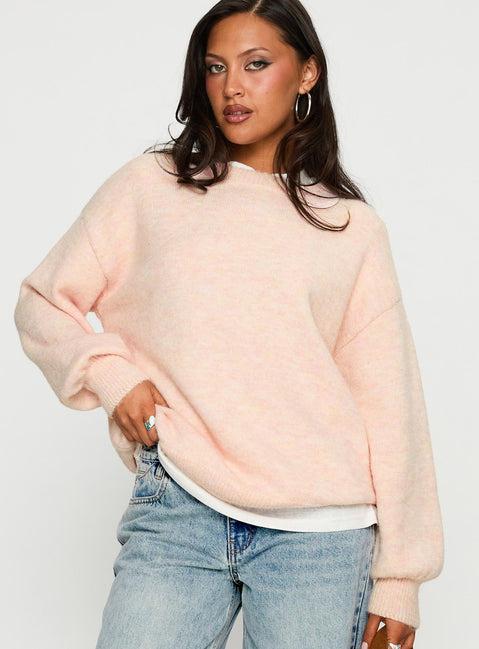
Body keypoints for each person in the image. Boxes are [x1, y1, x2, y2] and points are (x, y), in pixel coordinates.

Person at [13, 1, 444, 648]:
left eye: (256, 64)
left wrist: (400, 577)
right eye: (215, 68)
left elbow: (390, 402)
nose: (232, 87)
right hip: (178, 511)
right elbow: (43, 300)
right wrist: (111, 375)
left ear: (306, 73)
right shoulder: (150, 187)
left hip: (320, 535)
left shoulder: (350, 228)